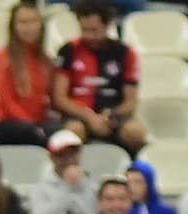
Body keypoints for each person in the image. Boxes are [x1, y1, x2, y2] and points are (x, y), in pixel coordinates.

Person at [50, 0, 145, 154]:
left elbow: (131, 101)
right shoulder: (68, 51)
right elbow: (60, 98)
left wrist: (111, 114)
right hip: (78, 116)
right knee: (72, 132)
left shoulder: (125, 53)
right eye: (84, 30)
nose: (89, 36)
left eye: (94, 30)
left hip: (113, 115)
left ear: (107, 26)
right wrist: (89, 116)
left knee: (135, 132)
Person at [0, 2, 54, 147]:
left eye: (33, 21)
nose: (29, 27)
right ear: (13, 26)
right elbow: (7, 102)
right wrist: (32, 125)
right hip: (6, 122)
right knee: (31, 133)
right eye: (23, 22)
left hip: (37, 123)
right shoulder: (3, 58)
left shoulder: (45, 59)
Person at [29, 129, 97, 214]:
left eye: (73, 154)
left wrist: (78, 186)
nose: (70, 160)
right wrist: (67, 188)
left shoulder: (90, 184)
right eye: (63, 155)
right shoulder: (41, 187)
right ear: (52, 158)